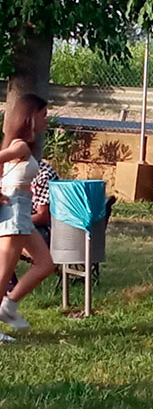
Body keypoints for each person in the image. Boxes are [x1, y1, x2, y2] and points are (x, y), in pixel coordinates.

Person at [0, 94, 56, 342]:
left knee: (46, 263)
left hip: (22, 209)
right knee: (3, 274)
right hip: (15, 210)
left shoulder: (22, 146)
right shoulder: (20, 145)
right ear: (30, 117)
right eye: (43, 115)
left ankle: (8, 306)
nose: (46, 120)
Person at [7, 159, 59, 292]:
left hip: (44, 229)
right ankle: (9, 284)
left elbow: (43, 216)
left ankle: (10, 285)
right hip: (21, 223)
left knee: (7, 233)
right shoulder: (11, 171)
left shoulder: (43, 174)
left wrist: (16, 221)